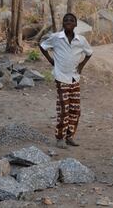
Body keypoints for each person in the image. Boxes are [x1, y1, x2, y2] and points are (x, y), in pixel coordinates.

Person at [40, 13, 93, 149]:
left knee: (75, 110)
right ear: (63, 23)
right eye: (66, 20)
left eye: (71, 20)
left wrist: (81, 65)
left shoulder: (81, 40)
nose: (68, 21)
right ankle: (60, 138)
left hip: (75, 78)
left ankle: (70, 136)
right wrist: (51, 60)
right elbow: (43, 46)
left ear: (75, 24)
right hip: (61, 78)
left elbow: (89, 53)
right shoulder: (56, 38)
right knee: (64, 109)